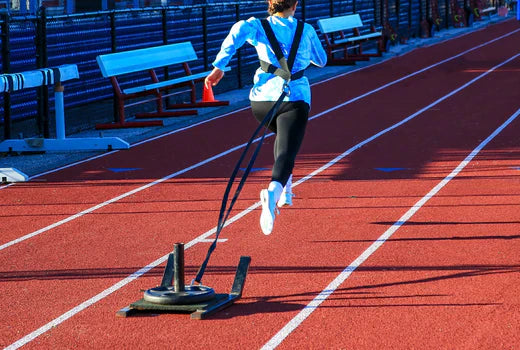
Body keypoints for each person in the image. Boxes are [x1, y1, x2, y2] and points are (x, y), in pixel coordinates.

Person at [205, 0, 327, 235]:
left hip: (261, 103)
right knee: (286, 152)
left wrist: (220, 65)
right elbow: (321, 61)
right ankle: (272, 192)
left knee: (284, 140)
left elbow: (238, 29)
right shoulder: (306, 30)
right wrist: (300, 53)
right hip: (294, 99)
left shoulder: (258, 26)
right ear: (296, 4)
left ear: (270, 3)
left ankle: (286, 192)